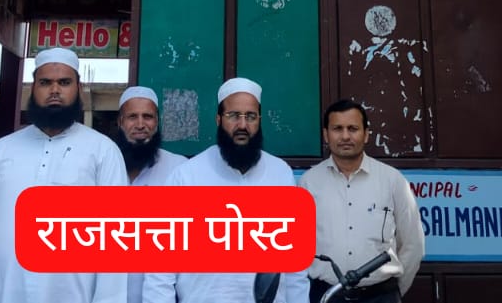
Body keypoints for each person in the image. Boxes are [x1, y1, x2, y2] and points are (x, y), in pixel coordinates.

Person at [0, 47, 128, 303]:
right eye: (45, 82)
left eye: (64, 82)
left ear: (79, 88)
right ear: (33, 87)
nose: (54, 90)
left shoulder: (103, 151)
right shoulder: (1, 151)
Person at [143, 77, 309, 303]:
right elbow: (160, 266)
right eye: (233, 116)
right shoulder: (187, 177)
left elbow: (295, 266)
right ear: (218, 119)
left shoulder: (280, 174)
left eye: (250, 116)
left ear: (259, 120)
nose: (243, 125)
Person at [299, 99, 424, 303]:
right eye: (337, 129)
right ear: (326, 135)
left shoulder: (392, 180)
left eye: (353, 128)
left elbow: (412, 244)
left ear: (366, 134)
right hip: (326, 296)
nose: (345, 136)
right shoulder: (309, 182)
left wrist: (391, 293)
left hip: (380, 296)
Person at [112, 85, 187, 303]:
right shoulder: (103, 164)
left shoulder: (179, 169)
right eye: (132, 117)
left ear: (157, 122)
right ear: (120, 122)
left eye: (148, 117)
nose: (140, 125)